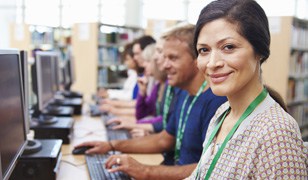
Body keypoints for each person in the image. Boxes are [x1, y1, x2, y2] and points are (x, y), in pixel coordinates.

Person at [75, 24, 227, 179]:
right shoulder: (184, 93)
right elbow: (164, 139)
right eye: (164, 56)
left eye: (173, 58)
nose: (164, 65)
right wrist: (112, 145)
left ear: (197, 60)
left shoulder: (216, 102)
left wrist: (145, 171)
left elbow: (209, 169)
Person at [188, 0, 308, 179]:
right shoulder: (222, 113)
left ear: (259, 50)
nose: (212, 63)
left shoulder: (276, 134)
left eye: (228, 47)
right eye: (204, 50)